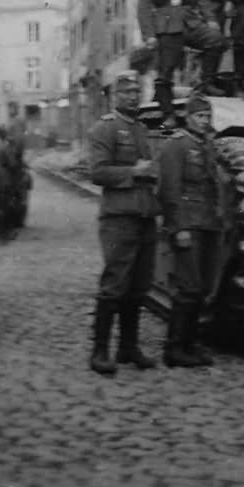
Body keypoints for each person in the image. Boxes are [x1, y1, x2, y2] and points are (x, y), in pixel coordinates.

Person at [87, 71, 160, 376]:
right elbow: (97, 172)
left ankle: (128, 348)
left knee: (139, 286)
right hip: (119, 219)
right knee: (114, 285)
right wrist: (135, 171)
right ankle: (100, 351)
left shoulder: (141, 129)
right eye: (126, 92)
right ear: (115, 95)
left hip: (144, 217)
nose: (132, 96)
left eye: (136, 92)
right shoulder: (105, 129)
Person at [156, 92, 221, 367]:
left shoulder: (206, 145)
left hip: (206, 225)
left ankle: (190, 345)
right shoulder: (177, 145)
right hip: (188, 226)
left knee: (201, 288)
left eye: (207, 116)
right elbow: (169, 191)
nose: (204, 121)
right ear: (188, 117)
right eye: (199, 116)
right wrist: (178, 227)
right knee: (188, 288)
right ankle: (174, 349)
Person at [137, 0, 225, 128]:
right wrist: (149, 35)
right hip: (166, 26)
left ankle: (206, 84)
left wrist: (210, 18)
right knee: (166, 71)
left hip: (189, 21)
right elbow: (143, 8)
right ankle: (168, 114)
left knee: (216, 41)